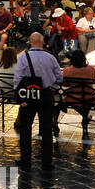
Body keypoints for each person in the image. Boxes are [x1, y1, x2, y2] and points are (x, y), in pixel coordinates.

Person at [13, 33, 63, 170]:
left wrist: (20, 97)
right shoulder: (50, 57)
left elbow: (18, 78)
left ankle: (25, 160)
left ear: (30, 41)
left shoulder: (24, 56)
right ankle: (47, 162)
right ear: (42, 42)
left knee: (25, 128)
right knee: (47, 129)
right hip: (46, 94)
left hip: (28, 95)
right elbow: (59, 77)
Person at [60, 48, 95, 136]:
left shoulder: (67, 71)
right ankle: (85, 117)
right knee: (85, 108)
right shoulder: (91, 69)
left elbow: (65, 84)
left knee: (62, 99)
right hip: (90, 98)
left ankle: (85, 116)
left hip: (73, 99)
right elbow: (93, 81)